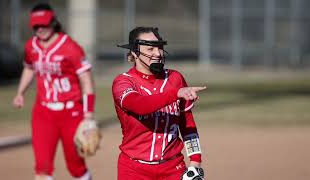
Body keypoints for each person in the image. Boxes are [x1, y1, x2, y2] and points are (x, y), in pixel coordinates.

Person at [12, 3, 96, 180]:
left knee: (76, 167)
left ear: (53, 22)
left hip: (71, 112)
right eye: (36, 26)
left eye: (44, 24)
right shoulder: (31, 47)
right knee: (42, 167)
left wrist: (88, 117)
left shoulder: (70, 47)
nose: (41, 29)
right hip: (43, 112)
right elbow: (29, 68)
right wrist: (20, 93)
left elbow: (86, 81)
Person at [112, 26, 206, 180]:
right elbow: (138, 105)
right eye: (150, 49)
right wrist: (175, 93)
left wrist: (195, 161)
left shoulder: (175, 78)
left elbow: (187, 123)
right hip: (134, 170)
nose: (157, 53)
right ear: (135, 52)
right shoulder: (123, 82)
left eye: (159, 48)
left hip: (173, 168)